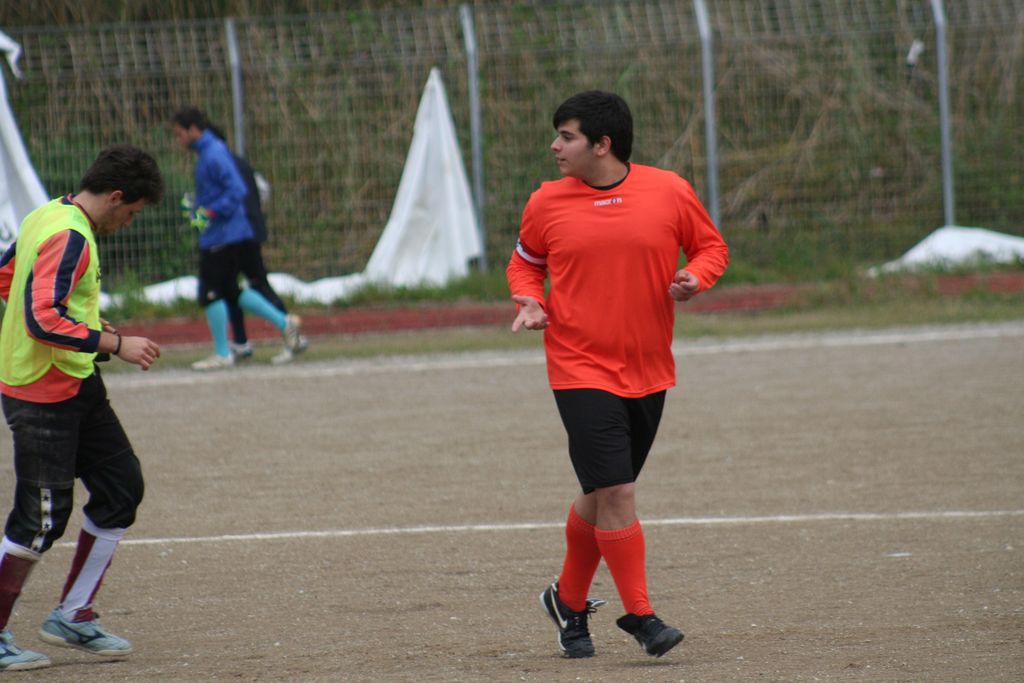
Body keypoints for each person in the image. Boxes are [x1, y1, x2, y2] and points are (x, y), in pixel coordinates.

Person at [506, 91, 729, 660]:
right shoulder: (546, 202)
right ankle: (643, 617)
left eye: (567, 137)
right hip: (578, 366)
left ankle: (567, 601)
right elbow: (526, 263)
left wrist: (696, 277)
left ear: (602, 144)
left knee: (602, 493)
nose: (555, 146)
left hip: (649, 368)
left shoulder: (668, 190)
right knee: (619, 491)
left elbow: (710, 248)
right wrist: (530, 299)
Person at [0, 145, 164, 670]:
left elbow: (6, 277)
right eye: (132, 212)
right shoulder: (69, 235)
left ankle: (73, 614)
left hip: (77, 383)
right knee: (40, 519)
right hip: (41, 393)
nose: (129, 222)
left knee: (121, 488)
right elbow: (42, 320)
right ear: (115, 196)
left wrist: (90, 328)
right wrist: (116, 344)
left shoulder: (48, 214)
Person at [171, 106, 306, 370]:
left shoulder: (213, 153)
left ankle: (223, 352)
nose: (178, 140)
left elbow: (237, 189)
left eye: (179, 134)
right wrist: (198, 209)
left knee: (210, 293)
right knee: (231, 291)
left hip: (223, 235)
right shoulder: (209, 153)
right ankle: (283, 322)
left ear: (193, 129)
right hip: (223, 233)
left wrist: (210, 211)